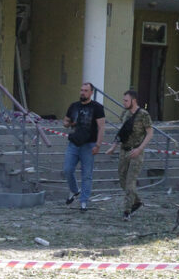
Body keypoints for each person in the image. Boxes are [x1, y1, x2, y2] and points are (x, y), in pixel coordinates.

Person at [105, 90, 153, 222]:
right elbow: (122, 132)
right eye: (123, 100)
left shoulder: (143, 114)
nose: (124, 102)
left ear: (134, 100)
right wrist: (113, 147)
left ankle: (127, 211)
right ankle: (136, 201)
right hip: (123, 150)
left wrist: (140, 148)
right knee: (122, 180)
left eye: (126, 100)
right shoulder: (125, 114)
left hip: (136, 152)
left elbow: (149, 133)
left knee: (130, 182)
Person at [60, 82, 106, 211]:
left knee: (87, 174)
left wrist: (98, 144)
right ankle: (75, 191)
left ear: (91, 93)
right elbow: (65, 121)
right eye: (81, 90)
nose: (82, 93)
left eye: (86, 90)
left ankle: (83, 201)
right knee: (67, 170)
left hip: (89, 144)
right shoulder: (74, 106)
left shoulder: (97, 107)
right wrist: (67, 124)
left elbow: (102, 127)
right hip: (74, 143)